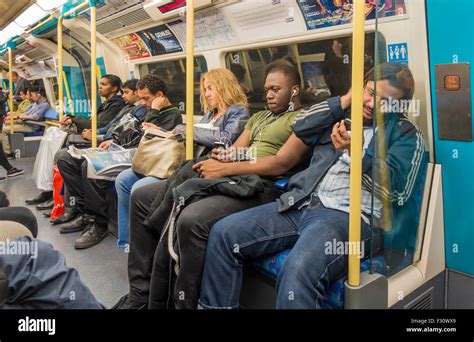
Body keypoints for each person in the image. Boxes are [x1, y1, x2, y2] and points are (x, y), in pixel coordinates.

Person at [198, 62, 425, 309]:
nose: (372, 104)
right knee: (223, 234)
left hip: (349, 217)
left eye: (386, 101)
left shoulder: (406, 134)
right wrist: (346, 100)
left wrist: (358, 155)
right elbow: (300, 124)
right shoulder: (340, 117)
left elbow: (399, 192)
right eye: (370, 93)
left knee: (298, 269)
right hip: (302, 202)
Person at [113, 60, 307, 309]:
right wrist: (218, 159)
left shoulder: (301, 119)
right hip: (234, 173)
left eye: (275, 89)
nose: (268, 94)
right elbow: (237, 151)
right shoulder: (259, 117)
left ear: (294, 90)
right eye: (266, 88)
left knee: (191, 217)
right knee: (142, 197)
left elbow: (279, 163)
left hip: (261, 184)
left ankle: (179, 302)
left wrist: (226, 167)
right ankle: (141, 294)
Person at [114, 69, 249, 249]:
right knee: (123, 180)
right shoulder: (210, 114)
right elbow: (191, 136)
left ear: (224, 86)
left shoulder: (238, 112)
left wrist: (185, 129)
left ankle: (150, 244)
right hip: (185, 159)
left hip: (205, 166)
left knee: (140, 188)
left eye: (211, 88)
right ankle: (126, 243)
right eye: (205, 89)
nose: (207, 94)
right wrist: (164, 132)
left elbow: (224, 140)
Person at [56, 75, 183, 250]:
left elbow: (148, 140)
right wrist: (114, 143)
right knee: (65, 158)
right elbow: (132, 133)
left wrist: (153, 111)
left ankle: (97, 222)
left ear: (160, 95)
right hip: (123, 149)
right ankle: (85, 211)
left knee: (90, 166)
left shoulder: (171, 114)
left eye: (146, 98)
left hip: (143, 158)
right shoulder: (145, 109)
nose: (143, 102)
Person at [25, 75, 126, 207]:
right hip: (93, 135)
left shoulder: (117, 105)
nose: (99, 87)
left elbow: (99, 124)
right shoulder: (106, 104)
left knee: (61, 153)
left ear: (114, 88)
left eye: (104, 84)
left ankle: (58, 195)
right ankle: (50, 190)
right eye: (100, 84)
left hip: (98, 141)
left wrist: (75, 120)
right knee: (50, 138)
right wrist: (73, 118)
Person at [1, 86, 49, 156]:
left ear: (38, 94)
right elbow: (26, 113)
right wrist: (13, 117)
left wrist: (17, 116)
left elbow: (34, 117)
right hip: (26, 123)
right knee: (4, 125)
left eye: (32, 95)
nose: (31, 97)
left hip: (32, 126)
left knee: (4, 130)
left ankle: (7, 153)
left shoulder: (44, 105)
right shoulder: (36, 104)